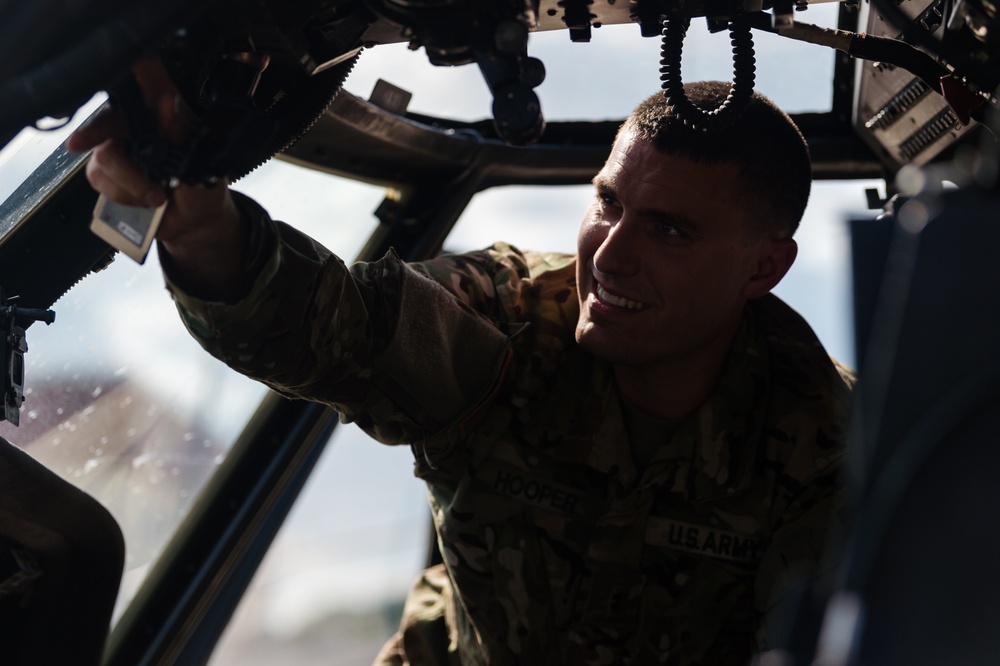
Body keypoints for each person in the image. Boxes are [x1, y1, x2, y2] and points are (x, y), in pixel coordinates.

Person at [70, 70, 854, 665]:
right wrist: (198, 222)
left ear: (764, 269)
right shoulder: (511, 318)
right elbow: (341, 331)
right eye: (608, 203)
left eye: (671, 231)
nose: (610, 255)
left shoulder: (833, 439)